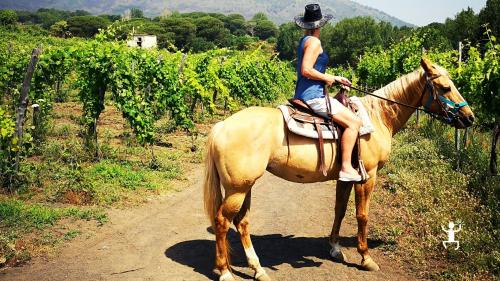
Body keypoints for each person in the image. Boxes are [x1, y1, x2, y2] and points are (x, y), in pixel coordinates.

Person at [294, 4, 363, 182]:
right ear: (319, 25)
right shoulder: (315, 42)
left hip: (306, 93)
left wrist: (335, 78)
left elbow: (309, 71)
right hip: (313, 96)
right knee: (354, 122)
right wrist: (328, 77)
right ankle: (346, 167)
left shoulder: (304, 41)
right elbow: (306, 70)